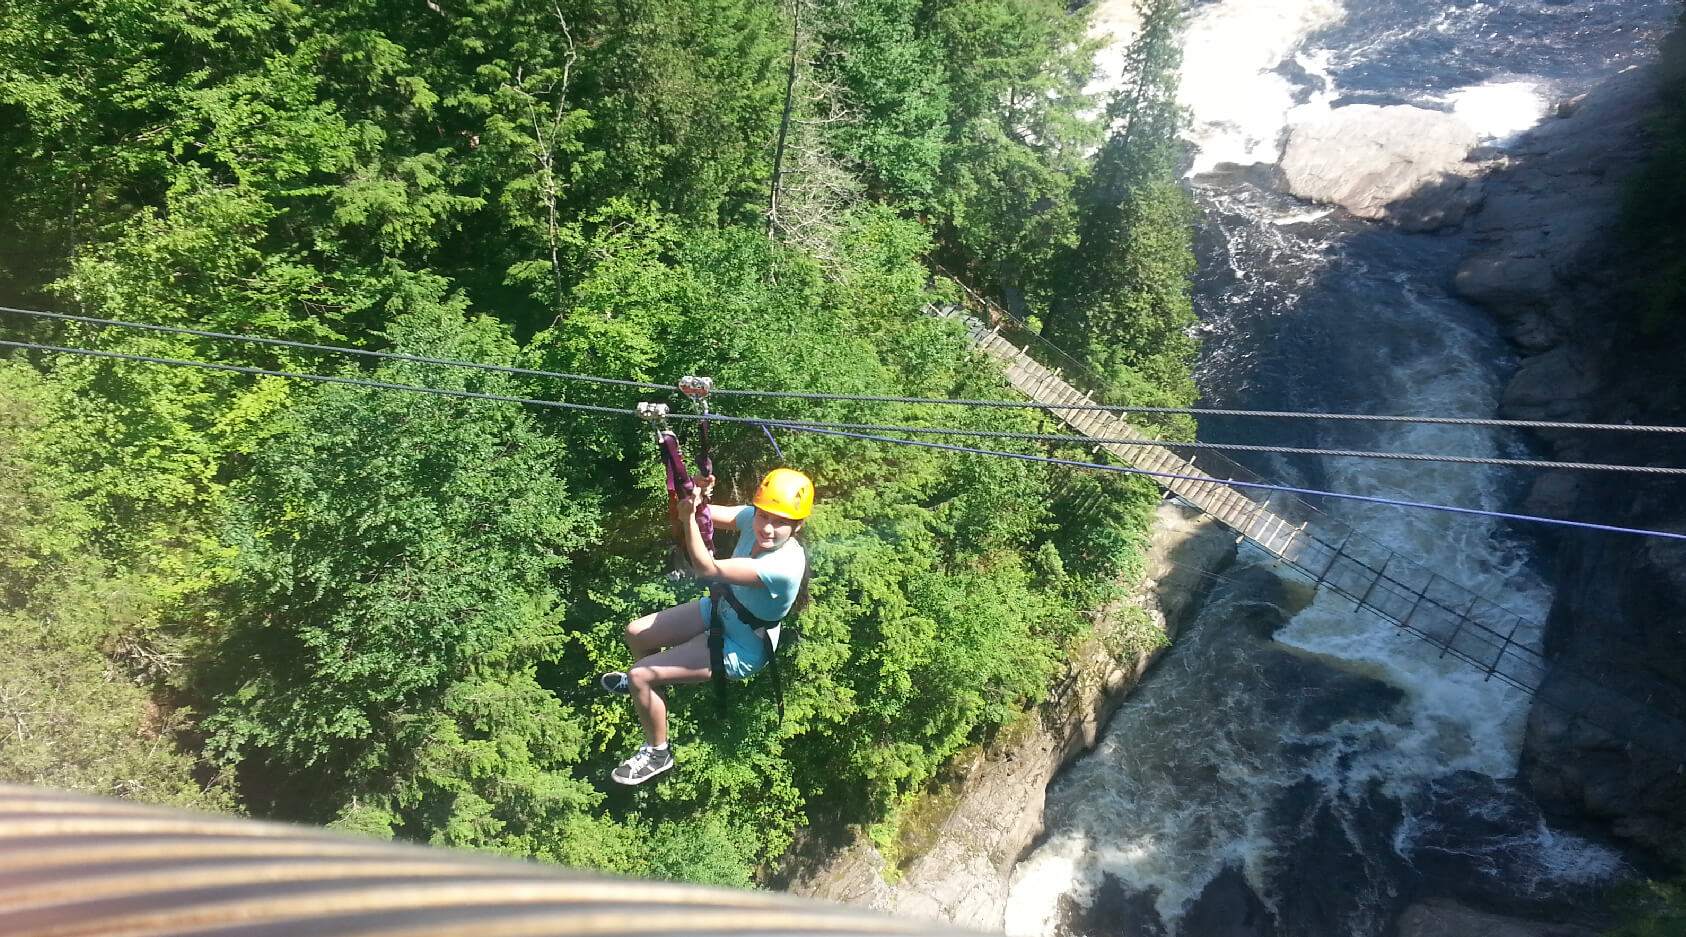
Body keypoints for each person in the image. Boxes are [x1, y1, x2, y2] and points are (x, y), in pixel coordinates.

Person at [600, 467, 813, 785]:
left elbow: (706, 568)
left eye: (780, 522)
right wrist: (696, 497)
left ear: (797, 526)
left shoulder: (782, 567)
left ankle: (657, 752)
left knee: (640, 675)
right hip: (721, 610)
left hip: (740, 647)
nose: (767, 528)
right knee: (635, 633)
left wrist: (688, 519)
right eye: (763, 516)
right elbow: (706, 515)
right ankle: (651, 688)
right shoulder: (753, 519)